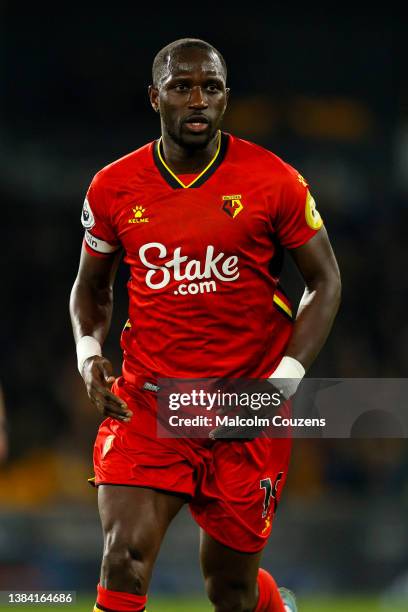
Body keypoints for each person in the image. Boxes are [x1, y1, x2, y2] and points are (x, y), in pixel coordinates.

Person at [70, 38, 341, 612]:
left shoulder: (274, 181)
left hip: (244, 404)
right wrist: (87, 353)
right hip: (148, 401)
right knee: (123, 560)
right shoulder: (114, 186)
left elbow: (326, 282)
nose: (197, 99)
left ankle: (276, 604)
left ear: (225, 98)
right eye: (182, 87)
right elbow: (92, 287)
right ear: (155, 97)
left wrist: (281, 384)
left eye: (210, 88)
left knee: (232, 591)